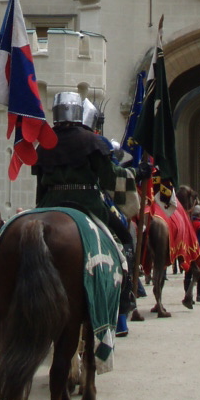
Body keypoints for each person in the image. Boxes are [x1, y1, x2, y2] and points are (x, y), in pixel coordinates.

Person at [33, 90, 137, 324]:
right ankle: (124, 295)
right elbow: (110, 179)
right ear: (78, 113)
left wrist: (39, 208)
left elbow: (40, 186)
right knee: (123, 240)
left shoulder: (44, 143)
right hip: (87, 204)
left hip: (49, 204)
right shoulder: (92, 141)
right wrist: (134, 174)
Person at [183, 204, 200, 307]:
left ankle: (187, 294)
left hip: (188, 252)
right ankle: (199, 295)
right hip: (198, 253)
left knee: (188, 274)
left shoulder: (188, 224)